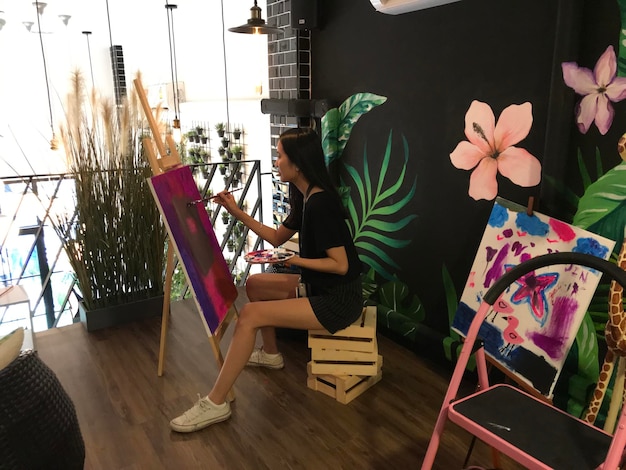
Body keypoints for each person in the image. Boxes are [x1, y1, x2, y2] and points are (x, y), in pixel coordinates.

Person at [169, 127, 363, 433]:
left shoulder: (320, 204)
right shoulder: (305, 196)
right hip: (321, 289)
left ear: (297, 163)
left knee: (249, 315)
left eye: (281, 155)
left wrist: (293, 260)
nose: (276, 161)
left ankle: (215, 402)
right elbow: (276, 236)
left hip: (337, 301)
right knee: (255, 286)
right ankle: (271, 355)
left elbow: (341, 266)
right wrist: (236, 211)